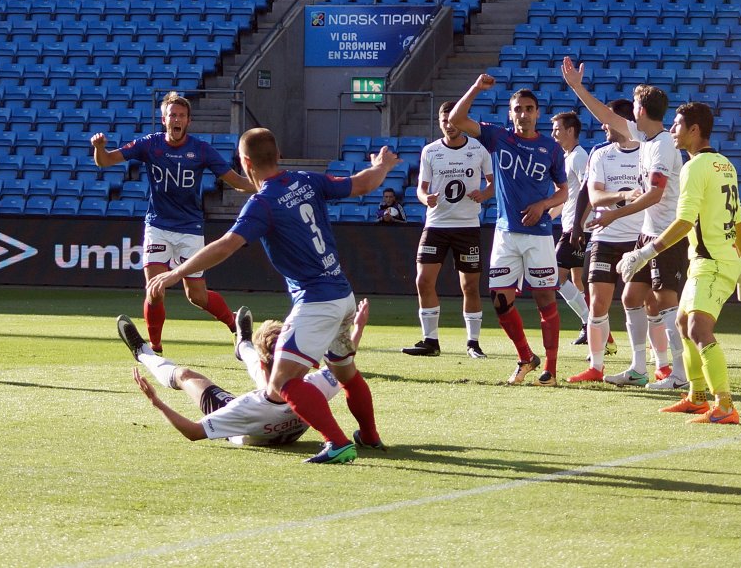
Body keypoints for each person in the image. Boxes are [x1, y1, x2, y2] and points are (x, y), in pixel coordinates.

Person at [147, 127, 401, 463]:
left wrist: (177, 272)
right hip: (342, 294)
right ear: (278, 155)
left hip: (316, 301)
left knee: (281, 383)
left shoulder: (262, 203)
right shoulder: (307, 180)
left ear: (245, 162)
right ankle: (368, 435)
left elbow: (226, 246)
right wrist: (382, 165)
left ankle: (338, 443)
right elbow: (363, 184)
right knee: (345, 373)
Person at [618, 102, 741, 424]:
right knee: (682, 324)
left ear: (694, 130)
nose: (672, 130)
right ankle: (696, 396)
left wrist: (645, 253)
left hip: (712, 261)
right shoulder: (725, 164)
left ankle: (725, 405)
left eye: (678, 125)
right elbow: (737, 222)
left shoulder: (694, 168)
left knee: (698, 328)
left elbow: (684, 222)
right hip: (715, 260)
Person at [91, 91, 255, 353]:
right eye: (172, 115)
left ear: (189, 120)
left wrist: (265, 185)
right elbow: (106, 161)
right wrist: (99, 148)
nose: (176, 119)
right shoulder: (150, 144)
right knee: (154, 290)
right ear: (164, 120)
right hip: (158, 226)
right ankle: (154, 348)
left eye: (181, 115)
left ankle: (234, 324)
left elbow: (236, 181)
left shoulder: (201, 149)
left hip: (190, 229)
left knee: (197, 296)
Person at [562, 57, 690, 390]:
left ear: (642, 110)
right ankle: (638, 368)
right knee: (632, 297)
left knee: (665, 303)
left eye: (633, 106)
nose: (630, 112)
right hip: (647, 233)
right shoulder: (645, 137)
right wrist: (577, 87)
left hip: (666, 235)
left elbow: (655, 195)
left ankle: (679, 373)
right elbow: (606, 116)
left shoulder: (662, 146)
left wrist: (614, 213)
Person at [122, 300, 384, 450]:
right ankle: (243, 344)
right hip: (282, 412)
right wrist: (357, 329)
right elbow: (342, 366)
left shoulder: (243, 408)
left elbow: (193, 432)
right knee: (276, 381)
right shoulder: (314, 386)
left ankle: (143, 353)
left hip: (245, 425)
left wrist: (157, 402)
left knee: (186, 376)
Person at [448, 75, 569, 386]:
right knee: (500, 301)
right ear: (510, 113)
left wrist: (543, 205)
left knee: (545, 299)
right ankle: (526, 357)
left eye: (529, 109)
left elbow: (564, 192)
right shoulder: (497, 137)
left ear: (537, 113)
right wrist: (475, 87)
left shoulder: (551, 148)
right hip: (505, 233)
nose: (523, 114)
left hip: (539, 235)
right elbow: (456, 119)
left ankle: (551, 370)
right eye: (518, 109)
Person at [402, 101, 495, 359]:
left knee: (470, 286)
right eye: (444, 121)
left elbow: (493, 183)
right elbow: (421, 188)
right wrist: (426, 199)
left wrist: (484, 194)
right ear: (439, 122)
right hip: (436, 225)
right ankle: (430, 341)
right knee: (423, 281)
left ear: (460, 121)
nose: (449, 125)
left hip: (467, 226)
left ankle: (473, 343)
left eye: (453, 121)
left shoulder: (478, 148)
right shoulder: (430, 151)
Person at [564, 100, 645, 384]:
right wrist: (577, 225)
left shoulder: (648, 152)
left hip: (639, 238)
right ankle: (596, 366)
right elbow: (590, 194)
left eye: (607, 120)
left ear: (623, 120)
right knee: (598, 302)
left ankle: (647, 364)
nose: (602, 125)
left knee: (641, 303)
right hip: (604, 237)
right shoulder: (600, 153)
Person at [547, 111, 593, 345]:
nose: (553, 134)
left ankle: (590, 322)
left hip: (578, 230)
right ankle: (591, 327)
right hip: (571, 226)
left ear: (571, 131)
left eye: (557, 129)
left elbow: (589, 192)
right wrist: (547, 217)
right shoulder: (567, 157)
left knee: (555, 276)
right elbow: (566, 198)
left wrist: (579, 226)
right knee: (576, 280)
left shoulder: (579, 157)